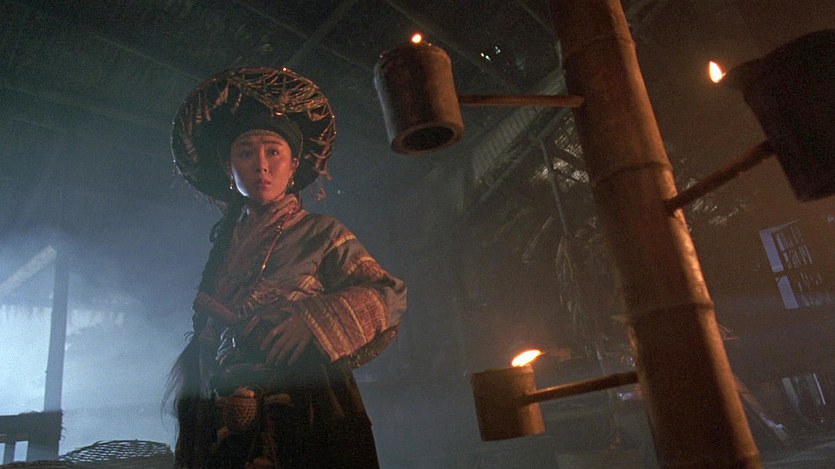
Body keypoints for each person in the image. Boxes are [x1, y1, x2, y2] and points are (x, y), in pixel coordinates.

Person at [167, 67, 407, 468]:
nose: (261, 165)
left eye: (273, 152)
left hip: (306, 410)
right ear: (229, 168)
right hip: (228, 411)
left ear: (293, 165)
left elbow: (388, 292)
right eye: (246, 153)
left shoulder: (322, 232)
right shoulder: (223, 249)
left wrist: (314, 320)